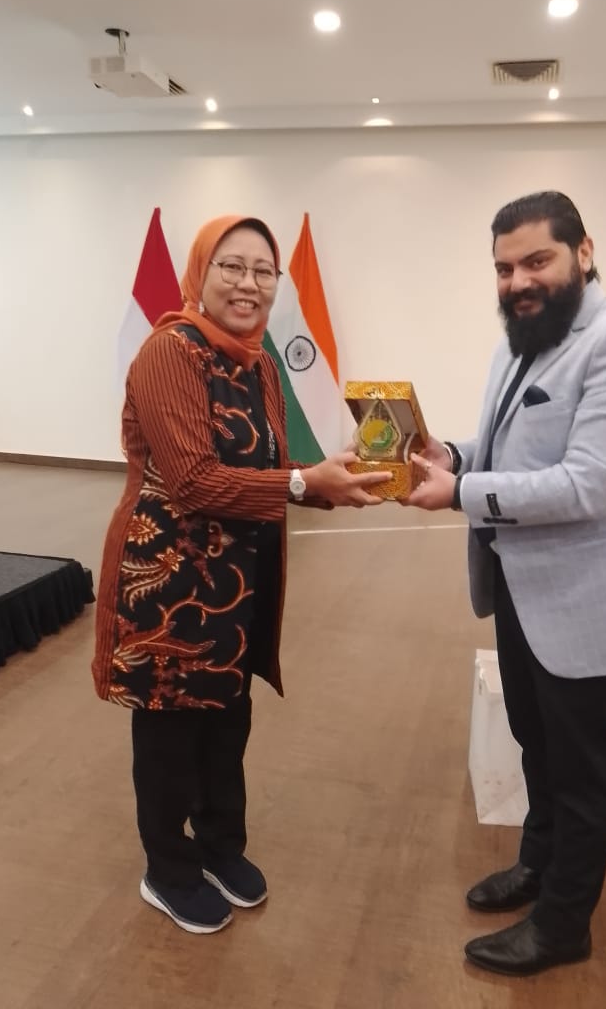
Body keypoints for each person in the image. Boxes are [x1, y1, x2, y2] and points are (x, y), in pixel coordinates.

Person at [406, 191, 606, 976]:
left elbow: (587, 485)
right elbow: (509, 449)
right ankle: (538, 863)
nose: (518, 281)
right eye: (504, 268)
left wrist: (459, 494)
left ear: (583, 252)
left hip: (589, 601)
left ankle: (565, 925)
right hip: (522, 587)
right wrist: (452, 456)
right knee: (536, 743)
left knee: (581, 767)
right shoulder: (521, 341)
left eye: (537, 260)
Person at [92, 214, 389, 935]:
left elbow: (270, 468)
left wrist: (333, 482)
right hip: (168, 582)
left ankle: (221, 846)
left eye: (263, 270)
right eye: (232, 266)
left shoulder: (259, 363)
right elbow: (193, 480)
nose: (248, 284)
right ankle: (167, 869)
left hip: (237, 578)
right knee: (171, 728)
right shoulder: (169, 352)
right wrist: (302, 484)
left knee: (228, 718)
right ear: (201, 273)